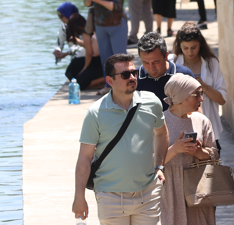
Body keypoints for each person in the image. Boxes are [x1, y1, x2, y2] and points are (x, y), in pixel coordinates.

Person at [72, 53, 169, 224]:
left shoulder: (152, 102)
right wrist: (79, 197)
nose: (132, 77)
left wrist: (159, 165)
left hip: (148, 193)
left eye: (134, 72)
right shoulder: (95, 113)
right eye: (125, 75)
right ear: (109, 81)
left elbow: (161, 133)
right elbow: (85, 158)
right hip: (110, 197)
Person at [161, 73, 219, 225]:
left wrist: (200, 153)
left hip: (199, 190)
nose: (201, 99)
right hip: (169, 191)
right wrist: (175, 149)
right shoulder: (159, 123)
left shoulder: (202, 121)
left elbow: (215, 155)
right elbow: (148, 162)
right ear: (181, 96)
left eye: (201, 94)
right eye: (197, 94)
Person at [172, 22, 226, 152]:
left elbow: (222, 99)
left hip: (208, 126)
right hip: (180, 127)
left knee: (210, 168)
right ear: (179, 46)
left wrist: (204, 86)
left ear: (200, 44)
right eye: (185, 48)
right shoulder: (172, 63)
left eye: (193, 47)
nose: (190, 52)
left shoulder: (211, 63)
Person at [83, 0, 127, 81]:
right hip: (100, 26)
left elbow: (116, 6)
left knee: (119, 58)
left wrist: (97, 0)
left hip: (117, 25)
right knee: (105, 59)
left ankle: (123, 82)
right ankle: (108, 85)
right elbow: (88, 4)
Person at [137, 32, 194, 110]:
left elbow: (196, 109)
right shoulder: (133, 78)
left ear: (166, 56)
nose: (151, 68)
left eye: (155, 62)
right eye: (145, 63)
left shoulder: (184, 75)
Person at [64, 14, 105, 90]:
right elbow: (91, 46)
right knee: (74, 64)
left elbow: (89, 54)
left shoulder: (85, 32)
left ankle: (105, 79)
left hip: (99, 62)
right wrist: (77, 41)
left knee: (79, 83)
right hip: (100, 58)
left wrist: (84, 68)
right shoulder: (91, 28)